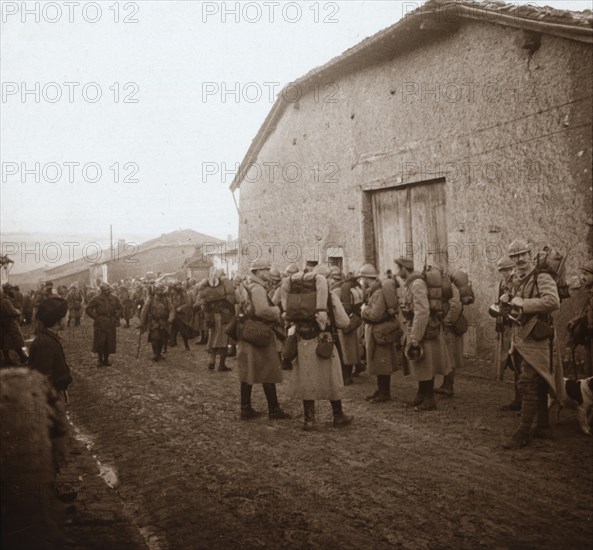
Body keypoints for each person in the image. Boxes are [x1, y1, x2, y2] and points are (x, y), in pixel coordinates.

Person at [502, 239, 560, 449]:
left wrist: (523, 303)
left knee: (528, 383)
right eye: (514, 256)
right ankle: (543, 426)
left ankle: (522, 432)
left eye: (523, 255)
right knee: (538, 382)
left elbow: (553, 302)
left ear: (530, 254)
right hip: (521, 336)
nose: (519, 260)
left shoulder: (541, 276)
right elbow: (515, 306)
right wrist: (507, 300)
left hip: (538, 338)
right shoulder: (517, 279)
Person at [282, 265, 353, 430]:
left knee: (306, 378)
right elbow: (344, 322)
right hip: (324, 341)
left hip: (302, 341)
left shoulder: (296, 298)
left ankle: (309, 420)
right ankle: (338, 415)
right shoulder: (329, 297)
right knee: (331, 377)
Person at [236, 260, 290, 420]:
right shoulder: (258, 288)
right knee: (269, 370)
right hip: (260, 333)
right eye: (265, 269)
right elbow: (262, 311)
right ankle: (274, 409)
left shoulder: (248, 285)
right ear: (257, 272)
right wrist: (276, 311)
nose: (268, 272)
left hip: (249, 332)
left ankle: (245, 408)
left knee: (247, 371)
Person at [397, 257, 447, 411]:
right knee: (420, 363)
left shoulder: (417, 284)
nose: (398, 271)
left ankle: (429, 398)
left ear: (405, 268)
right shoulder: (411, 283)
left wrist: (415, 337)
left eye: (399, 268)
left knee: (425, 363)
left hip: (423, 329)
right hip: (416, 326)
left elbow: (422, 311)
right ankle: (421, 394)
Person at [359, 264, 399, 403]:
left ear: (366, 278)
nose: (361, 281)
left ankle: (384, 392)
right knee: (379, 361)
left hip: (379, 331)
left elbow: (375, 315)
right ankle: (381, 389)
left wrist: (364, 310)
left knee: (382, 361)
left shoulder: (377, 293)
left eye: (362, 278)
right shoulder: (375, 291)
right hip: (379, 331)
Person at [28, 296, 72, 394]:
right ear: (58, 320)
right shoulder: (45, 344)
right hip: (50, 398)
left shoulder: (49, 338)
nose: (68, 319)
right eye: (66, 316)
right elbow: (42, 380)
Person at [495, 256, 521, 411]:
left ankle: (524, 399)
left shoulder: (518, 281)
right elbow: (499, 304)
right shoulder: (502, 283)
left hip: (517, 325)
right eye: (501, 270)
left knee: (518, 362)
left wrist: (510, 297)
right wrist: (498, 320)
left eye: (506, 270)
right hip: (506, 326)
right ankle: (518, 398)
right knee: (511, 362)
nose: (504, 273)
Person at [435, 272, 464, 397]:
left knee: (450, 355)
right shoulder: (442, 285)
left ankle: (449, 386)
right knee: (447, 355)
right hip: (446, 326)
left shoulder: (450, 287)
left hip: (451, 327)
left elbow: (456, 306)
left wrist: (447, 322)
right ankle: (445, 384)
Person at [85, 283, 123, 366]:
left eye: (109, 289)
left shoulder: (114, 298)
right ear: (102, 291)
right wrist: (96, 317)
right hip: (100, 322)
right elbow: (88, 308)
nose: (109, 291)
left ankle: (106, 359)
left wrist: (116, 316)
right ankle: (99, 359)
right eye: (106, 290)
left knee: (109, 340)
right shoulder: (96, 298)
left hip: (111, 321)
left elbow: (120, 308)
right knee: (100, 340)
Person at [568, 260, 593, 375]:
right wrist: (576, 320)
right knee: (589, 371)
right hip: (589, 338)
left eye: (586, 274)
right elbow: (588, 311)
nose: (582, 277)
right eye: (582, 273)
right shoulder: (590, 293)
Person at [140, 284, 174, 362]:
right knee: (155, 338)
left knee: (162, 338)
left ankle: (159, 353)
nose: (160, 292)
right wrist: (141, 322)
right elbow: (144, 311)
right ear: (155, 291)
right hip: (154, 322)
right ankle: (155, 354)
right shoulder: (150, 299)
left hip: (164, 322)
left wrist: (170, 318)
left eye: (161, 290)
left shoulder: (166, 299)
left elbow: (172, 309)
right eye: (158, 290)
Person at [0, 285, 28, 366]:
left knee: (5, 342)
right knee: (17, 341)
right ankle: (23, 357)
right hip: (10, 324)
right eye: (11, 290)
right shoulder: (5, 301)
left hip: (4, 324)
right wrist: (18, 311)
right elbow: (11, 312)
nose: (13, 292)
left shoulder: (4, 300)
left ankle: (7, 359)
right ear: (8, 291)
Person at [169, 281, 193, 351]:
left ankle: (186, 345)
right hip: (173, 314)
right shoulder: (171, 293)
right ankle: (172, 343)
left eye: (179, 285)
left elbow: (188, 303)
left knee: (183, 331)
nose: (178, 286)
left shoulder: (183, 293)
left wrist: (181, 308)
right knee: (172, 330)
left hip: (181, 315)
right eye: (177, 285)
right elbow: (169, 302)